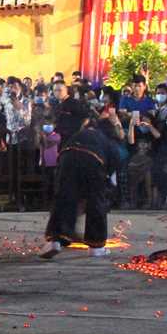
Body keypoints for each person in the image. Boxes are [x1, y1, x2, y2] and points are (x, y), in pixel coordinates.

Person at [40, 108, 122, 259]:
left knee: (64, 198)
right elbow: (112, 177)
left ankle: (55, 241)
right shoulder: (108, 142)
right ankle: (96, 246)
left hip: (67, 159)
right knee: (96, 201)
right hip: (93, 160)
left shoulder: (77, 134)